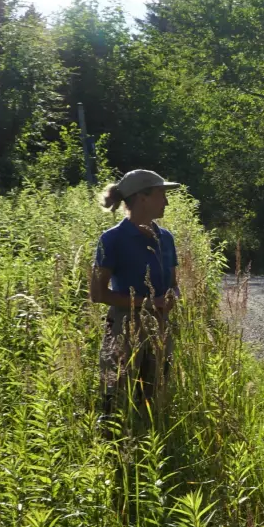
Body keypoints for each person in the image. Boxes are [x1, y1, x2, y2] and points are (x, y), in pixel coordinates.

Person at [91, 170, 182, 415]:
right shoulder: (111, 239)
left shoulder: (166, 238)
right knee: (116, 397)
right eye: (162, 194)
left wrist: (174, 296)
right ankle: (113, 446)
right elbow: (97, 293)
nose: (167, 201)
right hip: (123, 325)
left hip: (160, 326)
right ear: (142, 197)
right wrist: (149, 302)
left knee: (155, 397)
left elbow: (174, 283)